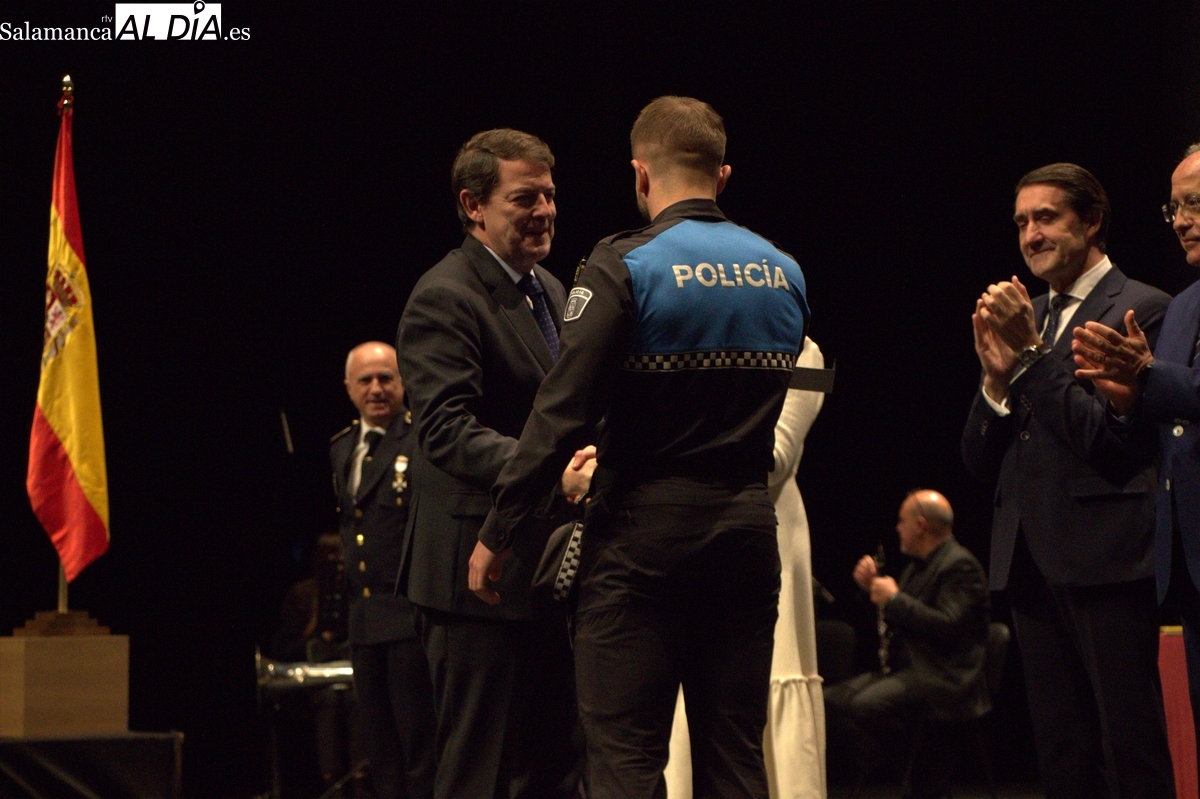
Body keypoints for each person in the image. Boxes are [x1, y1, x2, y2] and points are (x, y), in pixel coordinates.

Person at [470, 96, 810, 798]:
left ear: (640, 175)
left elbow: (560, 413)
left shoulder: (624, 263)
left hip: (641, 538)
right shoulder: (783, 270)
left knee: (626, 760)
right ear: (722, 176)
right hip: (746, 534)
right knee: (736, 758)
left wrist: (501, 528)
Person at [961, 163, 1174, 798]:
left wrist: (1029, 358)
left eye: (1047, 218)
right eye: (1022, 222)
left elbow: (1110, 444)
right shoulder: (1028, 315)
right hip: (1029, 561)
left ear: (1092, 222)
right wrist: (994, 384)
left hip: (1107, 560)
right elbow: (978, 461)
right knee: (1062, 753)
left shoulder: (1142, 308)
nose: (1031, 235)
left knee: (1129, 745)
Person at [395, 130, 586, 799]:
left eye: (551, 195)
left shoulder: (553, 290)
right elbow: (446, 431)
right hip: (474, 583)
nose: (545, 211)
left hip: (546, 573)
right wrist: (555, 470)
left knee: (552, 770)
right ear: (473, 205)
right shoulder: (444, 295)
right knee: (481, 774)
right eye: (525, 198)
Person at [1070, 142, 1200, 767]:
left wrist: (1148, 376)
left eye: (1195, 203)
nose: (1181, 221)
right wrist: (1125, 401)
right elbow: (1163, 421)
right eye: (1174, 208)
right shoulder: (1184, 306)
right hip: (1189, 562)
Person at [665, 336, 829, 799]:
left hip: (767, 532)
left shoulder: (801, 350)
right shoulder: (691, 337)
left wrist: (676, 449)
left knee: (768, 678)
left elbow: (776, 459)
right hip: (689, 529)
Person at [823, 491, 989, 797]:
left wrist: (896, 599)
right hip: (911, 669)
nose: (898, 528)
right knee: (827, 701)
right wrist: (870, 592)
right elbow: (897, 624)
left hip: (944, 675)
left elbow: (948, 628)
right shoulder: (917, 567)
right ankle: (917, 768)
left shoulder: (960, 565)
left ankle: (919, 771)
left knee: (864, 706)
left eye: (902, 521)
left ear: (920, 525)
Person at [330, 341, 436, 799]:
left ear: (404, 382)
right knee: (380, 750)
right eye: (365, 380)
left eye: (385, 378)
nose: (376, 389)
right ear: (349, 388)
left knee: (419, 747)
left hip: (407, 618)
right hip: (364, 622)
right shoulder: (342, 448)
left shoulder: (420, 440)